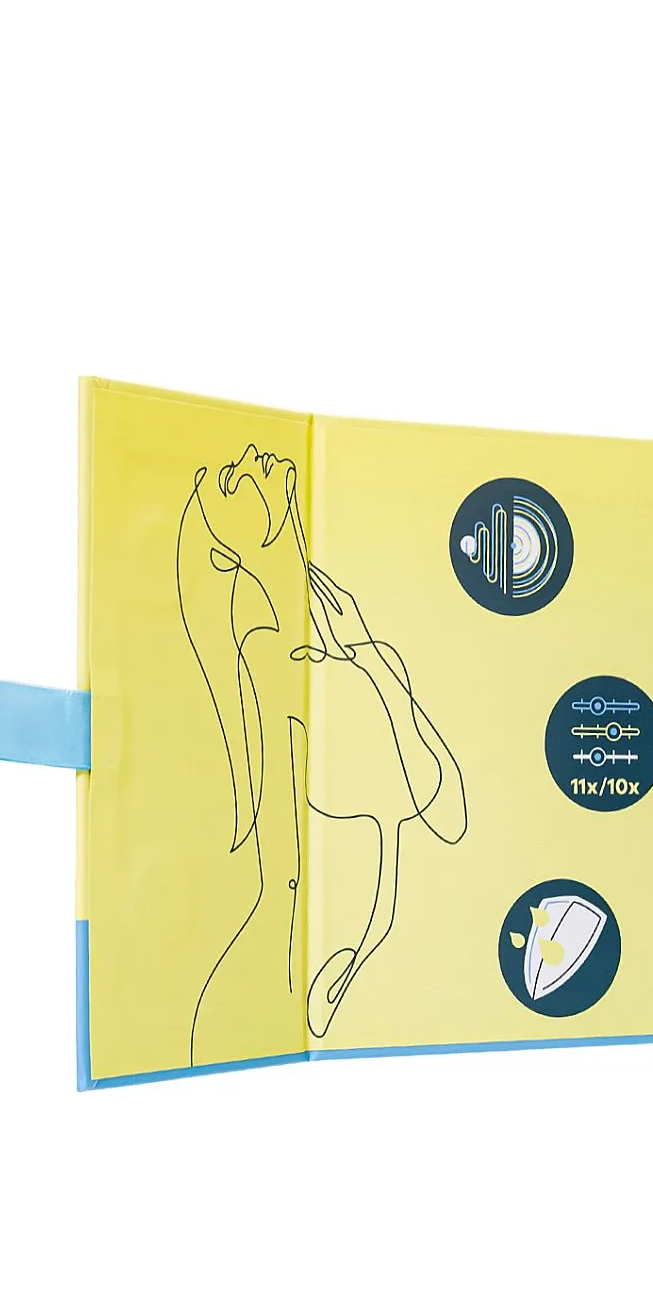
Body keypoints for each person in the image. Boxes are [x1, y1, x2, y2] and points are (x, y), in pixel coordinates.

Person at [177, 443, 466, 1064]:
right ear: (227, 550)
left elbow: (449, 816)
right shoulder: (269, 658)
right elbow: (436, 813)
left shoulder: (350, 644)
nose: (252, 459)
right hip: (302, 978)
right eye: (231, 482)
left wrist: (372, 658)